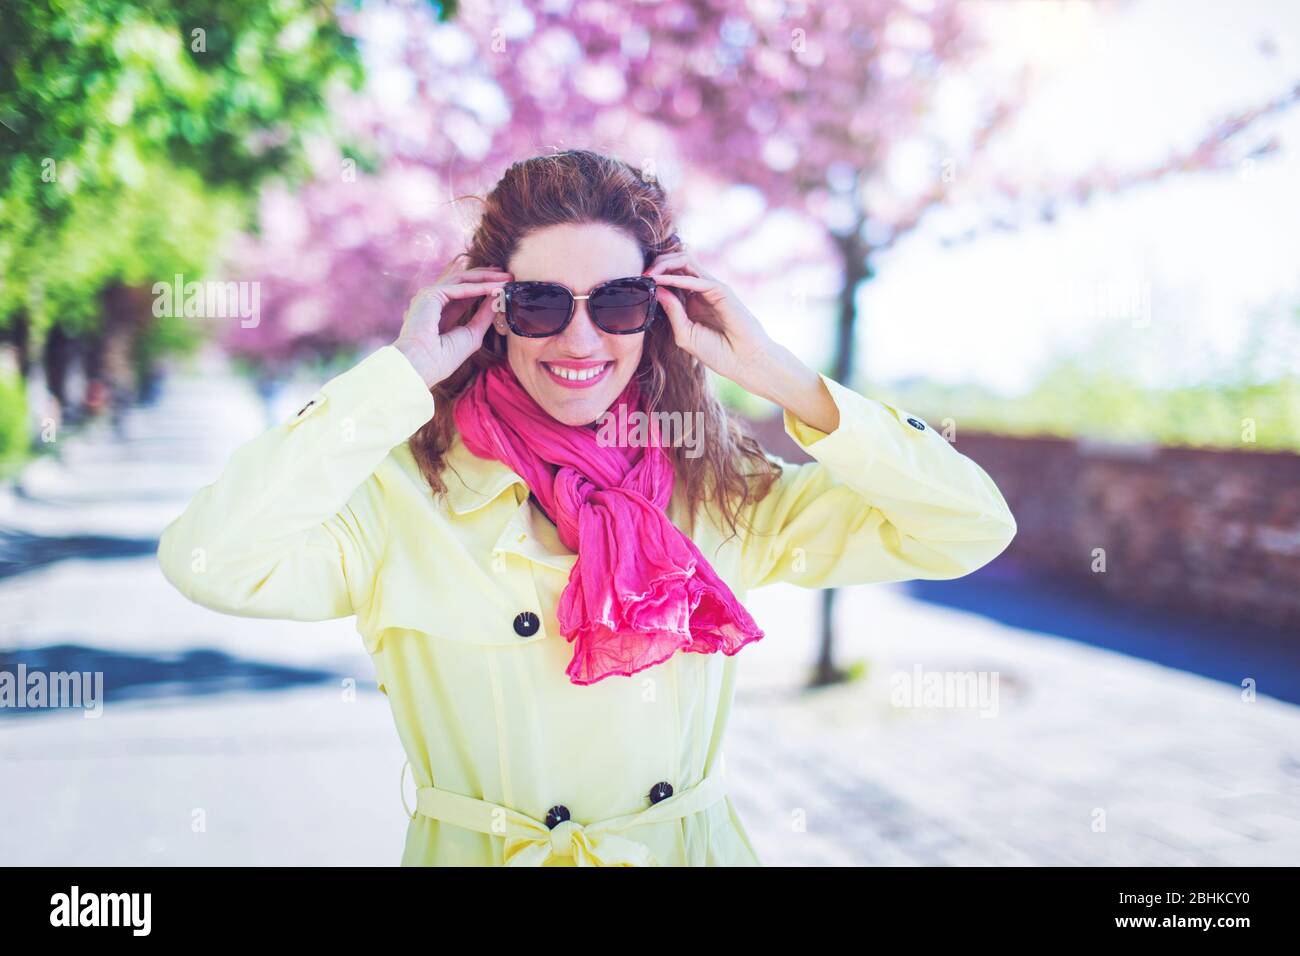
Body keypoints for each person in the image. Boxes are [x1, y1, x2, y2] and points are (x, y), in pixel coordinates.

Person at [157, 149, 1018, 866]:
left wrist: (781, 375)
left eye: (617, 302)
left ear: (659, 313)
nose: (579, 340)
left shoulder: (718, 488)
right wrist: (393, 380)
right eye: (538, 304)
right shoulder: (399, 494)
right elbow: (210, 560)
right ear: (492, 315)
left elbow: (970, 525)